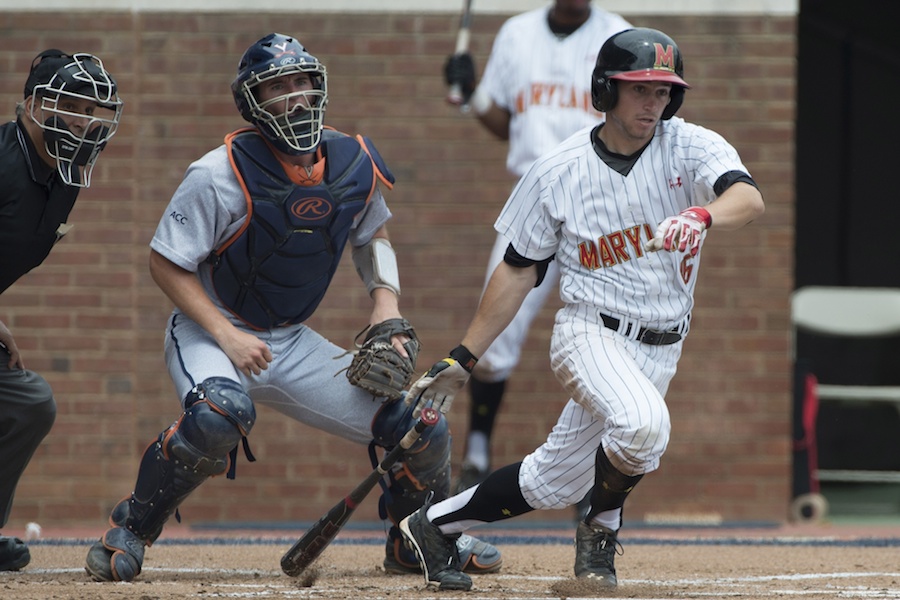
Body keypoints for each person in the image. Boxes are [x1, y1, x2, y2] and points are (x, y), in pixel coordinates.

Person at [83, 33, 500, 582]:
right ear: (253, 102)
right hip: (212, 329)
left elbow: (373, 237)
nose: (297, 97)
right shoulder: (217, 173)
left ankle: (417, 539)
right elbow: (166, 264)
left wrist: (385, 304)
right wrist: (226, 337)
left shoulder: (352, 162)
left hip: (290, 338)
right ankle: (132, 527)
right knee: (219, 416)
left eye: (304, 83)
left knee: (420, 425)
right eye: (280, 87)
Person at [400, 28, 766, 591]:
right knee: (644, 428)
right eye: (640, 89)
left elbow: (747, 197)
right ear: (605, 89)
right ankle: (601, 528)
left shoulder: (688, 144)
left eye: (665, 91)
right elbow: (518, 269)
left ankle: (433, 526)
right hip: (591, 332)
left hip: (664, 345)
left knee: (556, 479)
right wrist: (464, 357)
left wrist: (703, 216)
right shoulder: (557, 169)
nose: (655, 102)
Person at [443, 0, 631, 496]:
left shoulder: (620, 36)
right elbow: (509, 123)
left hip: (602, 206)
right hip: (532, 201)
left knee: (608, 338)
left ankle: (600, 469)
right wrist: (472, 97)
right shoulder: (516, 33)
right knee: (492, 343)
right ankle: (477, 453)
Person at [0, 50, 122, 572]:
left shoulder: (65, 178)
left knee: (29, 402)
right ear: (32, 105)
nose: (81, 120)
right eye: (68, 105)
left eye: (92, 109)